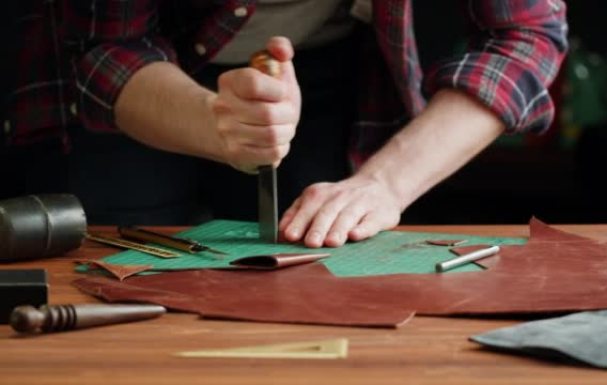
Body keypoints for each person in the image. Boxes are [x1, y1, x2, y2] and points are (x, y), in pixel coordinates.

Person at [2, 0, 568, 247]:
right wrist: (213, 122)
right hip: (135, 92)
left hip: (325, 72)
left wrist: (385, 183)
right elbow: (108, 47)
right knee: (113, 271)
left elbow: (523, 34)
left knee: (316, 265)